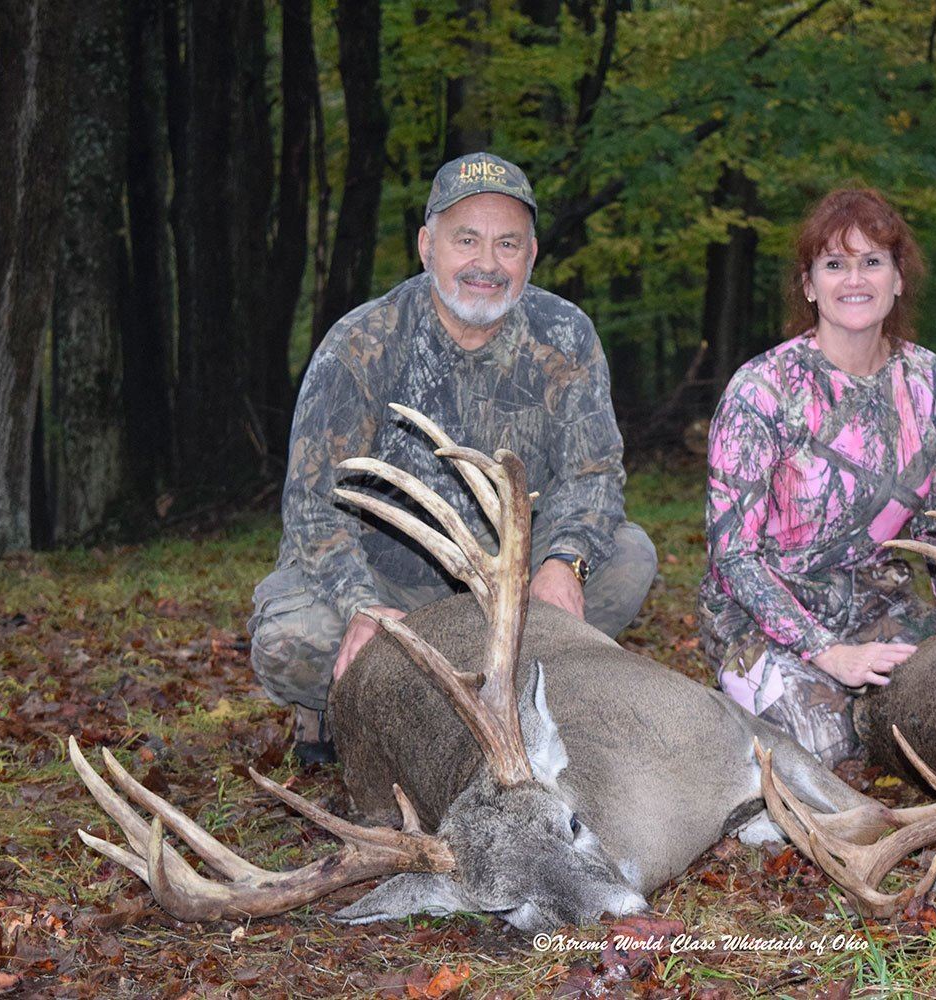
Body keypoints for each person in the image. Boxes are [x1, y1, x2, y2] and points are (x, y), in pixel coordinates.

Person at [250, 152, 658, 763]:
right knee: (292, 639)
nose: (486, 264)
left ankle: (510, 697)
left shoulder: (566, 336)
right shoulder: (360, 345)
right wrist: (362, 605)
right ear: (426, 246)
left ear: (531, 255)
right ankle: (338, 708)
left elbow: (593, 474)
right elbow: (313, 508)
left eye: (507, 244)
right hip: (387, 584)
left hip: (509, 586)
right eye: (466, 240)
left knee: (628, 559)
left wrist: (564, 563)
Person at [698, 188, 936, 766]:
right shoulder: (762, 390)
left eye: (872, 261)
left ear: (899, 278)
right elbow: (733, 555)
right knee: (820, 749)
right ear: (810, 285)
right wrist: (827, 653)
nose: (854, 279)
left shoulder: (929, 382)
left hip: (878, 607)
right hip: (759, 616)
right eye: (835, 264)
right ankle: (736, 712)